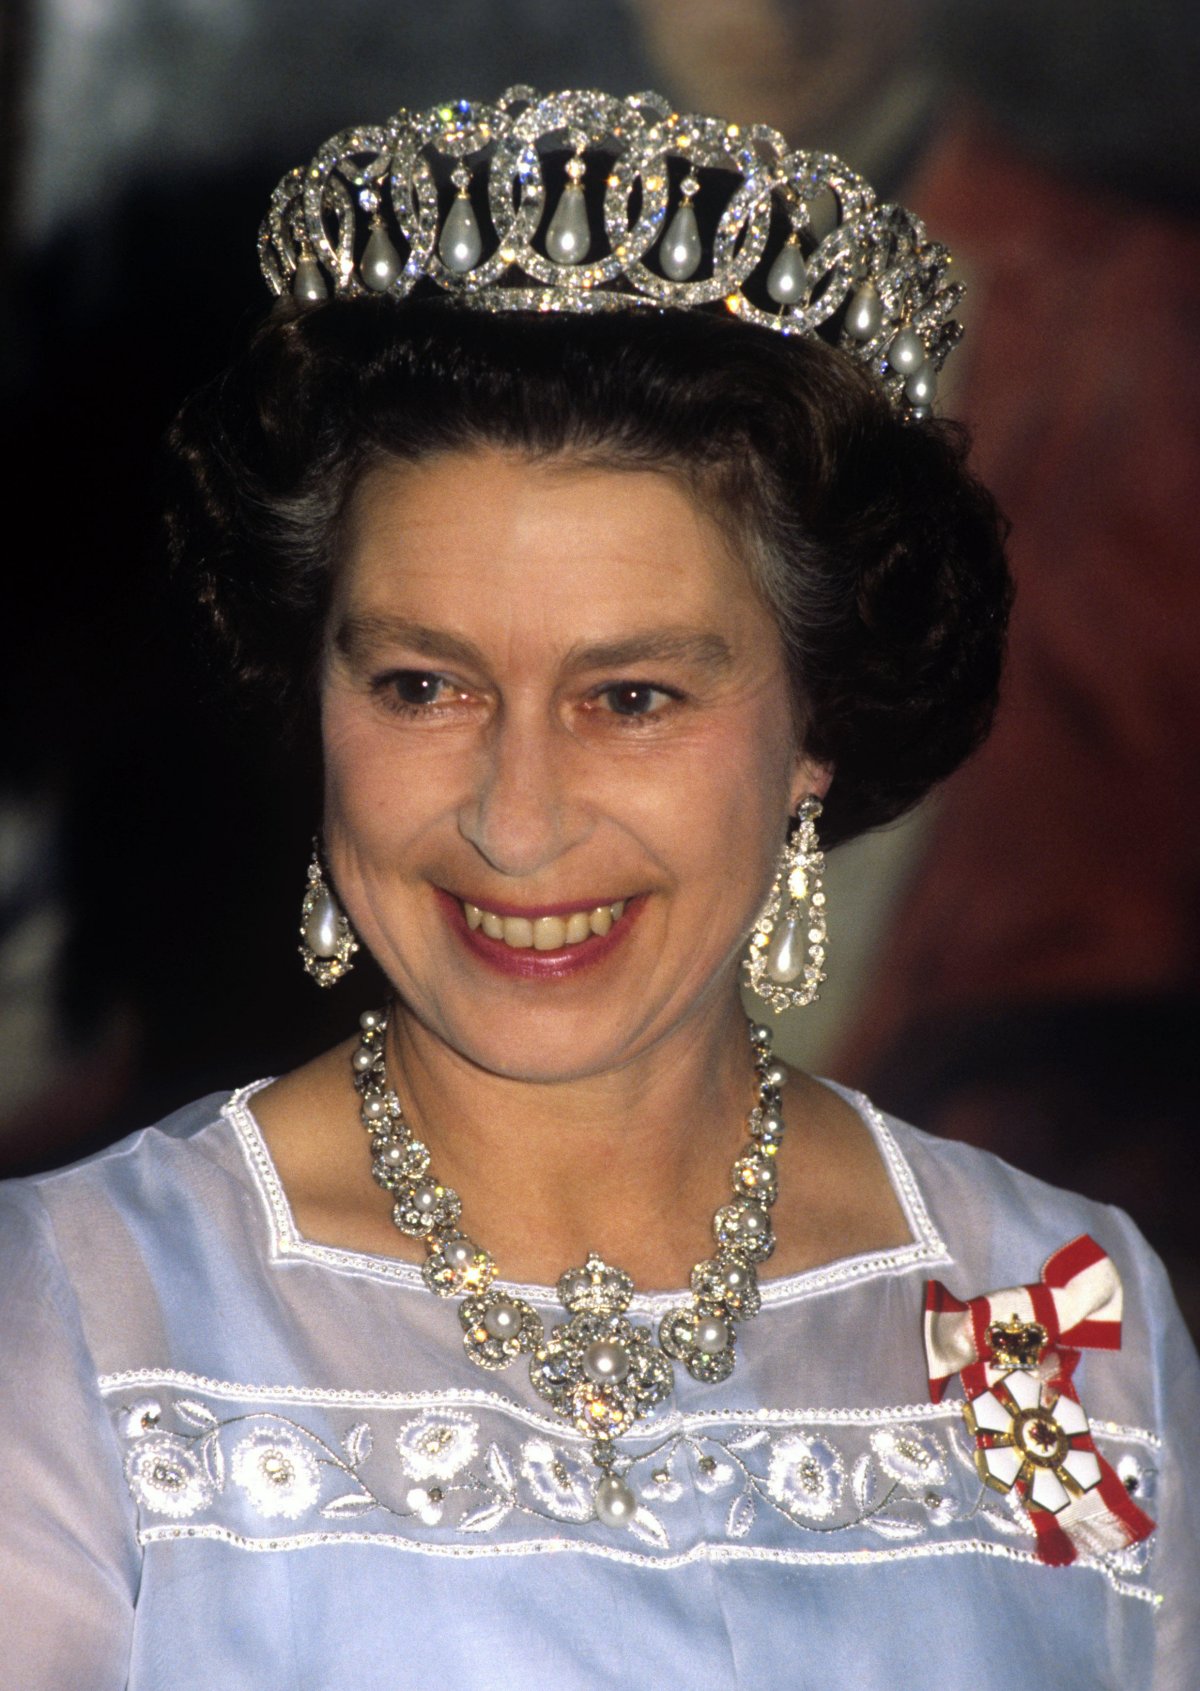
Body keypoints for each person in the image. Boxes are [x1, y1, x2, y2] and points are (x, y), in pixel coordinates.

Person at [1, 87, 1195, 1690]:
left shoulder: (1066, 1308)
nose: (515, 822)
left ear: (815, 729)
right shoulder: (75, 1320)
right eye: (424, 685)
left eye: (632, 697)